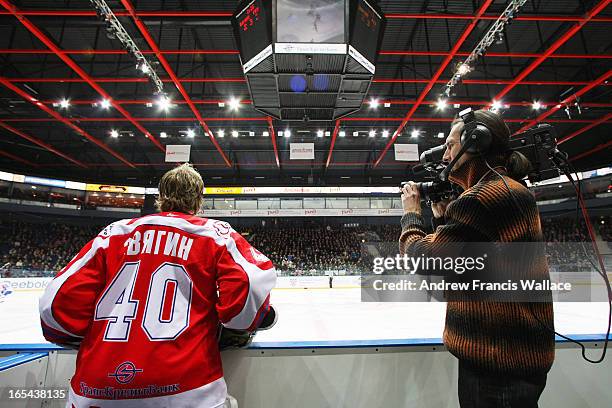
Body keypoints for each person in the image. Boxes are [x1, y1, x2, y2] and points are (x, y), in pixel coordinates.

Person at [39, 163, 277, 408]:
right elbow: (250, 284)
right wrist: (235, 321)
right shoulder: (215, 234)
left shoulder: (113, 234)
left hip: (97, 390)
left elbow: (55, 308)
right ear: (199, 200)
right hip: (188, 390)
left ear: (160, 197)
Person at [399, 110, 554, 407]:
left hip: (497, 362)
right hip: (509, 357)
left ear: (476, 143)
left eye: (449, 145)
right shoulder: (506, 189)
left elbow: (424, 260)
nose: (444, 154)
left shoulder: (482, 197)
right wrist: (446, 220)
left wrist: (411, 215)